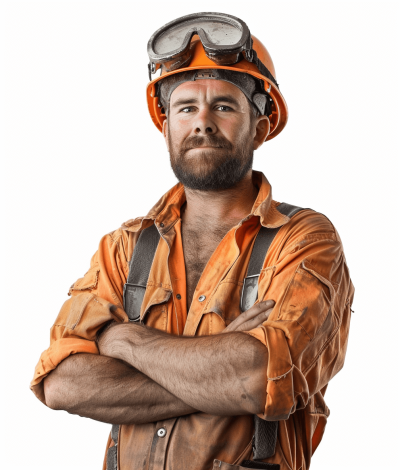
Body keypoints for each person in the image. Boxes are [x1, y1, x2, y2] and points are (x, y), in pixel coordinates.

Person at [31, 12, 354, 470]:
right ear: (166, 128)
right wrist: (212, 376)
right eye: (186, 108)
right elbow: (63, 382)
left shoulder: (303, 241)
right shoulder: (125, 249)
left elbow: (256, 378)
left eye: (223, 106)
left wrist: (124, 341)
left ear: (259, 127)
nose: (202, 122)